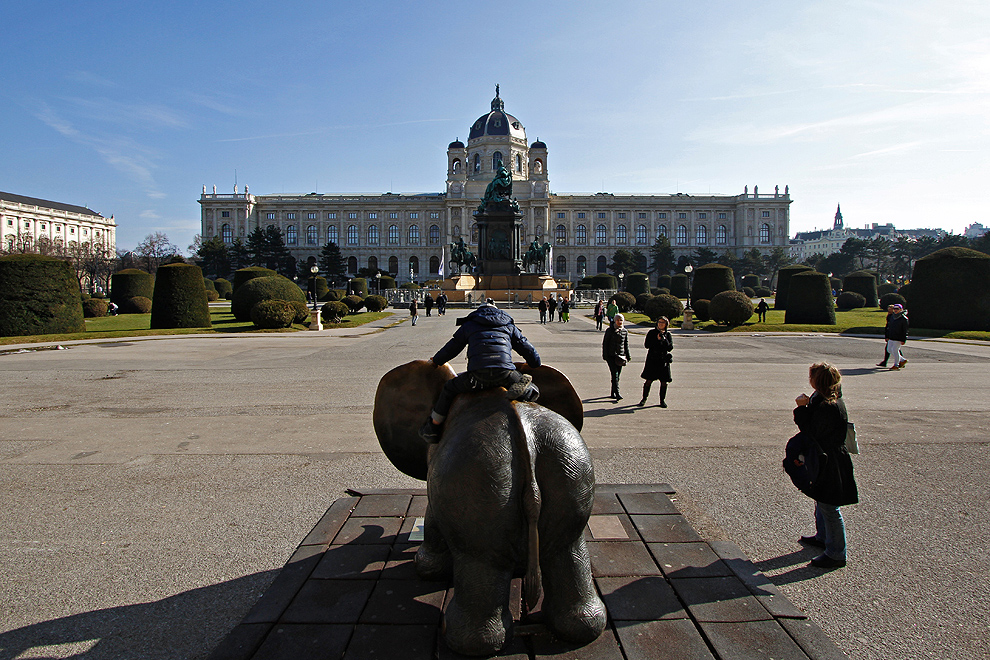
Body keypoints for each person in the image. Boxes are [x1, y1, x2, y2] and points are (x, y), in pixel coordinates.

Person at [420, 299, 541, 442]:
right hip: (505, 373)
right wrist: (534, 362)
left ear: (479, 312)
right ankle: (528, 392)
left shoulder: (469, 325)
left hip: (476, 376)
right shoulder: (508, 325)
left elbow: (452, 348)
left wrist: (436, 361)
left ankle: (433, 427)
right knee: (530, 385)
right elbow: (526, 347)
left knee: (449, 389)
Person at [791, 362, 858, 569]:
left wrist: (802, 409)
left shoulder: (827, 406)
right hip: (826, 457)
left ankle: (837, 553)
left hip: (830, 460)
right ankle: (823, 536)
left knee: (829, 506)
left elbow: (811, 430)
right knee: (821, 499)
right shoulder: (826, 399)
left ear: (816, 381)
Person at [639, 316, 672, 407]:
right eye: (659, 322)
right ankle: (644, 398)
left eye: (663, 322)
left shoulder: (668, 334)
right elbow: (647, 345)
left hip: (663, 360)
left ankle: (662, 400)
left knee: (664, 382)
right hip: (652, 359)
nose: (661, 324)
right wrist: (656, 340)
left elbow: (670, 348)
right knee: (648, 380)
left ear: (666, 324)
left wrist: (664, 340)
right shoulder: (651, 333)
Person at [602, 313, 631, 400]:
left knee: (617, 375)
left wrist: (628, 355)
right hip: (611, 355)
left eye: (621, 320)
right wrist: (605, 355)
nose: (619, 322)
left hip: (621, 356)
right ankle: (617, 393)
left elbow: (625, 344)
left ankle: (612, 392)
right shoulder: (610, 330)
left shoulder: (624, 331)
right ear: (615, 321)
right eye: (618, 320)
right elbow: (605, 343)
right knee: (615, 374)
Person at [885, 304, 909, 370]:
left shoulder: (904, 319)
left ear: (901, 309)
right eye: (894, 308)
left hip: (898, 337)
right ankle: (902, 360)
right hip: (891, 336)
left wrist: (904, 339)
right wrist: (887, 336)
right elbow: (889, 327)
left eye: (897, 309)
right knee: (889, 349)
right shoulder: (892, 317)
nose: (895, 310)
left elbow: (905, 330)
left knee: (895, 350)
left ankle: (896, 365)